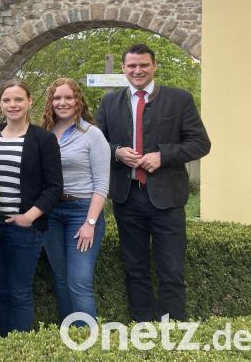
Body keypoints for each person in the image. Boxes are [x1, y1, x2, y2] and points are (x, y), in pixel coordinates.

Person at [96, 44, 210, 322]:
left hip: (167, 198)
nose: (138, 70)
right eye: (132, 66)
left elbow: (200, 143)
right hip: (127, 198)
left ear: (154, 66)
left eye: (144, 65)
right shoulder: (109, 102)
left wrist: (163, 156)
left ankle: (173, 329)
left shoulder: (179, 99)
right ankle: (143, 327)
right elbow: (96, 144)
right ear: (123, 68)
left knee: (171, 270)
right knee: (135, 269)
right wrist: (116, 152)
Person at [0, 79, 62, 336]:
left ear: (29, 101)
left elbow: (54, 187)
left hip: (25, 228)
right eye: (7, 100)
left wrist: (29, 217)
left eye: (18, 99)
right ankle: (6, 344)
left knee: (19, 291)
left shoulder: (43, 139)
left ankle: (19, 347)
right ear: (0, 103)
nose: (12, 105)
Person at [39, 78, 110, 324]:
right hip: (51, 213)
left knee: (79, 281)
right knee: (60, 279)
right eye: (57, 98)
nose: (63, 102)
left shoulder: (92, 134)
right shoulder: (44, 133)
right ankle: (69, 336)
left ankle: (86, 339)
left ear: (77, 100)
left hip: (82, 212)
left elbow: (102, 184)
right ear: (50, 102)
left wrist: (90, 223)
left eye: (68, 97)